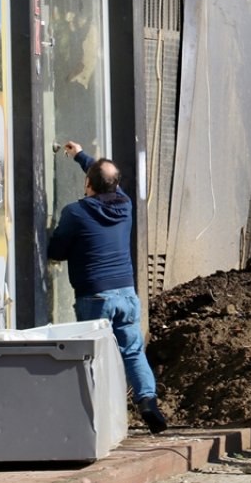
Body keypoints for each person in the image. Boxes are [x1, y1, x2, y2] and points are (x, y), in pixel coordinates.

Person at [48, 141, 168, 434]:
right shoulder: (125, 205)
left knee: (94, 356)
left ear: (88, 183)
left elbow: (57, 251)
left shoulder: (75, 213)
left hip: (95, 296)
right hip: (126, 293)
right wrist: (80, 156)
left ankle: (97, 418)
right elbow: (107, 179)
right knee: (132, 352)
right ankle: (148, 401)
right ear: (115, 185)